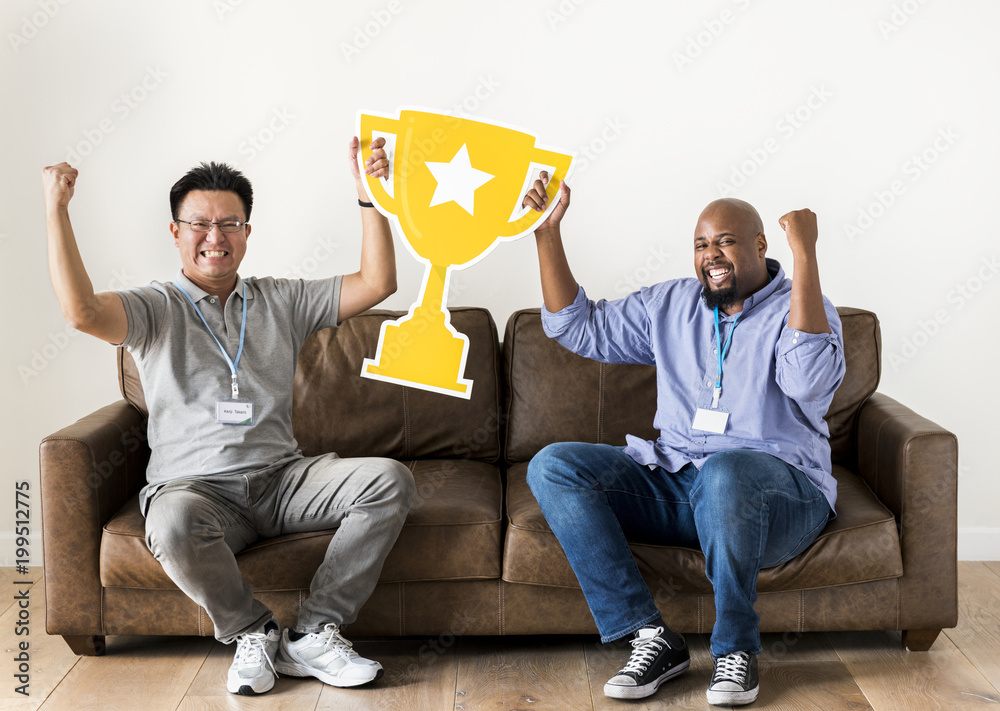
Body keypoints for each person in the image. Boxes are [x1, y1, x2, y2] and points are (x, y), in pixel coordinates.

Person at [41, 137, 416, 697]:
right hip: (196, 489)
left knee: (389, 480)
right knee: (168, 524)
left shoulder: (279, 300)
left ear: (246, 232)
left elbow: (377, 284)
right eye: (199, 224)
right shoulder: (154, 307)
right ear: (175, 232)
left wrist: (371, 199)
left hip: (283, 480)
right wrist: (57, 209)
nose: (214, 237)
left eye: (230, 224)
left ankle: (313, 633)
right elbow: (80, 312)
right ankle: (252, 630)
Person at [521, 174, 845, 706]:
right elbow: (575, 327)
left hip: (780, 497)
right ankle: (651, 636)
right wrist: (546, 232)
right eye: (701, 244)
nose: (711, 254)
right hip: (683, 484)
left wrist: (805, 254)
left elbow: (809, 384)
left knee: (727, 471)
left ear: (761, 246)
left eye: (726, 241)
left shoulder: (805, 306)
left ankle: (735, 650)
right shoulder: (669, 306)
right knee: (555, 465)